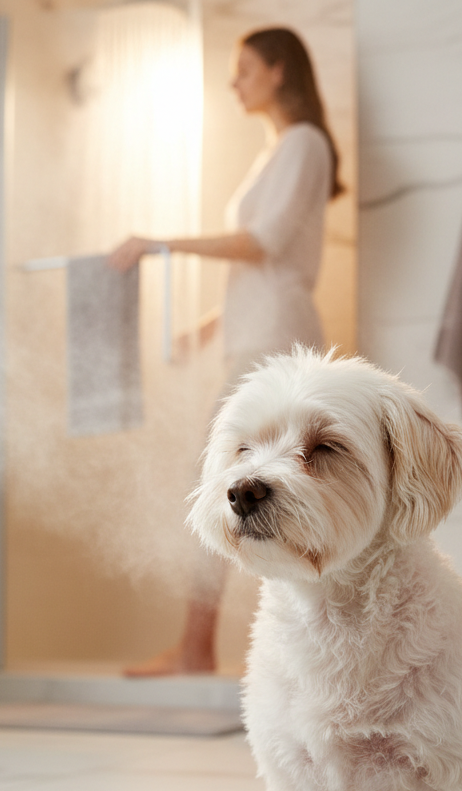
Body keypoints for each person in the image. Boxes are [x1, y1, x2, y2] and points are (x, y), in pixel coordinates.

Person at [109, 26, 344, 676]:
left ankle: (196, 649)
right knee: (250, 490)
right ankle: (209, 647)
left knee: (224, 486)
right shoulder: (278, 152)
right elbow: (262, 266)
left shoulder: (303, 143)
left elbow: (262, 243)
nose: (234, 81)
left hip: (274, 341)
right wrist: (207, 328)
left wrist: (162, 244)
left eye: (243, 69)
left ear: (277, 70)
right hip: (258, 336)